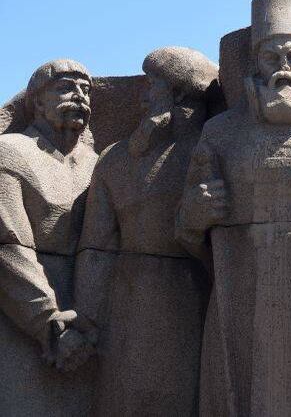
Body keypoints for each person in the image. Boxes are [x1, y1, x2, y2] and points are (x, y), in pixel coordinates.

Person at [176, 0, 291, 416]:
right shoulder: (220, 133)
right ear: (255, 65)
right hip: (238, 294)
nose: (284, 69)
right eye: (272, 58)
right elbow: (184, 232)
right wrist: (194, 216)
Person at [74, 47, 217, 416]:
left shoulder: (215, 150)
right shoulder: (115, 158)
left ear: (179, 93)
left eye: (152, 85)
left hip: (195, 298)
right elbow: (96, 251)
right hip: (126, 305)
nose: (143, 96)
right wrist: (86, 321)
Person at [0, 59, 98, 415]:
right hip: (26, 318)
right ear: (37, 101)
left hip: (88, 324)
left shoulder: (96, 163)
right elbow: (9, 247)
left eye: (86, 91)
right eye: (66, 88)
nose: (79, 98)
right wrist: (49, 322)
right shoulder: (9, 152)